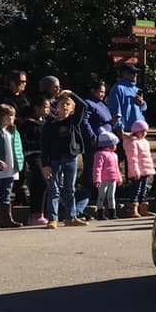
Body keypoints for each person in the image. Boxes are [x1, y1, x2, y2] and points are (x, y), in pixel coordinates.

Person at [42, 90, 90, 228]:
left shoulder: (73, 122)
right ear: (56, 107)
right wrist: (46, 164)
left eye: (68, 104)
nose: (65, 106)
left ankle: (71, 217)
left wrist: (71, 94)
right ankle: (53, 218)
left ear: (72, 108)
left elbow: (84, 106)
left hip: (71, 158)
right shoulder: (49, 125)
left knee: (70, 189)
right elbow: (44, 146)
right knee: (54, 189)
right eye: (62, 104)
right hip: (54, 160)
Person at [20, 97, 50, 226]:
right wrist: (41, 144)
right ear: (36, 108)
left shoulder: (47, 123)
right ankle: (35, 214)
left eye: (48, 107)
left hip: (46, 156)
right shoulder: (27, 124)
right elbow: (25, 142)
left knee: (44, 184)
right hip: (33, 155)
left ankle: (42, 213)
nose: (47, 110)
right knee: (41, 182)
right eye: (44, 107)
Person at [123, 120, 156, 218]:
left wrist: (150, 169)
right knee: (136, 190)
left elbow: (148, 157)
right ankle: (133, 208)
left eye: (145, 131)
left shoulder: (145, 142)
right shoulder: (132, 142)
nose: (144, 133)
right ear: (136, 131)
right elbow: (133, 158)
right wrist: (135, 171)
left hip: (145, 170)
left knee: (143, 190)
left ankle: (143, 208)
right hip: (137, 171)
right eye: (141, 131)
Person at [106, 64, 147, 135]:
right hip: (126, 130)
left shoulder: (136, 89)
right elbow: (115, 111)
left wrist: (142, 103)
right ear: (124, 74)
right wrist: (119, 129)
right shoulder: (117, 88)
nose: (135, 75)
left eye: (136, 72)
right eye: (132, 72)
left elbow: (143, 108)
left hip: (140, 130)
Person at [92, 130, 123, 220]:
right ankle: (100, 213)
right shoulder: (99, 154)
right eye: (114, 144)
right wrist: (97, 179)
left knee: (111, 196)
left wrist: (119, 178)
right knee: (101, 196)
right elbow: (97, 168)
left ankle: (112, 213)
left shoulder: (114, 155)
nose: (116, 146)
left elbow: (117, 168)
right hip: (103, 179)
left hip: (112, 179)